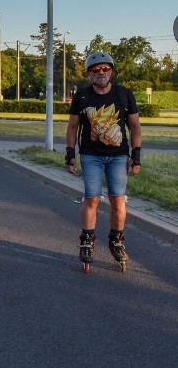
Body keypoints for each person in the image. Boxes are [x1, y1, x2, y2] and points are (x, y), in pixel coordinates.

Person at [65, 51, 142, 266]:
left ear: (112, 72)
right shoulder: (82, 96)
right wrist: (70, 154)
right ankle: (87, 240)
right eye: (96, 70)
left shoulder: (124, 94)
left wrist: (136, 156)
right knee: (92, 198)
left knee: (118, 199)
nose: (101, 73)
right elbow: (72, 127)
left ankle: (116, 240)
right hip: (91, 156)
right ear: (89, 74)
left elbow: (135, 127)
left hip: (118, 156)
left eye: (105, 69)